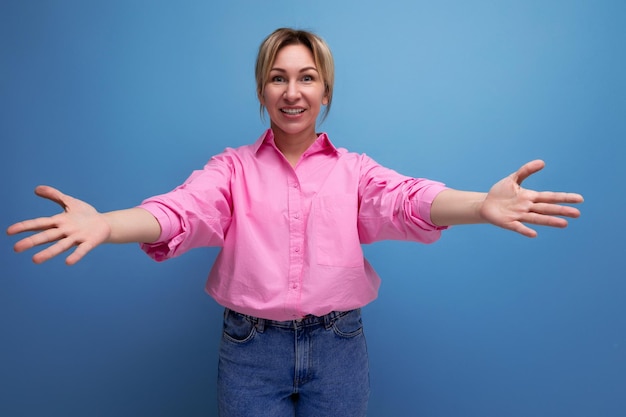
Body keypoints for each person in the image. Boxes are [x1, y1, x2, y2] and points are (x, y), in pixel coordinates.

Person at [7, 28, 583, 417]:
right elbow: (181, 210)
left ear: (325, 90)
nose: (292, 91)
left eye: (307, 77)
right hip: (249, 346)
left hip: (339, 344)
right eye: (278, 78)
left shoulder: (355, 171)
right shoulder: (230, 169)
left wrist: (480, 204)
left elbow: (407, 200)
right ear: (262, 89)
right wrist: (107, 224)